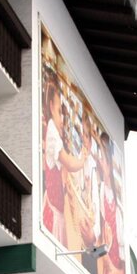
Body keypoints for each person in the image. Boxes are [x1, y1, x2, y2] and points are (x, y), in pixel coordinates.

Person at [41, 79, 87, 246]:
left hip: (55, 206)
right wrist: (82, 160)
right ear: (52, 106)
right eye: (60, 111)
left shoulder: (53, 131)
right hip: (54, 213)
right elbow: (69, 163)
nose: (62, 117)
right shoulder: (52, 130)